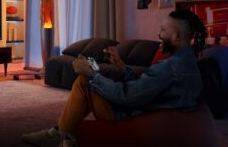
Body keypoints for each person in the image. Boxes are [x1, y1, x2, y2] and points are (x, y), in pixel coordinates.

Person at [22, 10, 205, 147]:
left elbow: (127, 96)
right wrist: (120, 65)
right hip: (146, 109)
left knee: (85, 81)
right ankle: (65, 135)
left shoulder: (170, 67)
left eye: (163, 30)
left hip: (132, 117)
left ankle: (60, 135)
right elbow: (147, 85)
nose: (158, 35)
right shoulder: (187, 63)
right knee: (92, 76)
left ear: (178, 36)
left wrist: (91, 73)